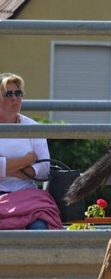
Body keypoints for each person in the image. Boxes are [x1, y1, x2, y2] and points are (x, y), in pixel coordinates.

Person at [0, 73, 62, 230]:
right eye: (8, 94)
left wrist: (6, 167)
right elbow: (37, 163)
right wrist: (27, 160)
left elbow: (44, 170)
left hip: (27, 196)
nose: (15, 98)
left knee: (40, 229)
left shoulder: (32, 126)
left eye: (18, 93)